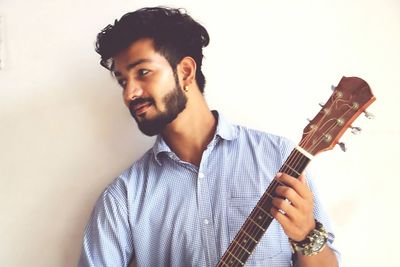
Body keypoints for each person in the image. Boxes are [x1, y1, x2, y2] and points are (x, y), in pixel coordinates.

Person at [78, 7, 340, 267]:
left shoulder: (277, 157)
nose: (129, 93)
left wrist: (306, 235)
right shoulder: (124, 196)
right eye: (123, 81)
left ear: (185, 72)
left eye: (143, 72)